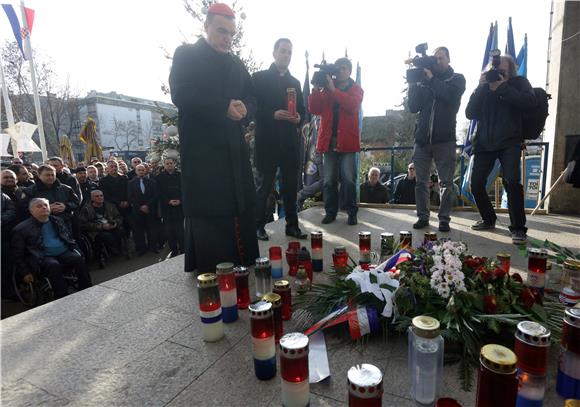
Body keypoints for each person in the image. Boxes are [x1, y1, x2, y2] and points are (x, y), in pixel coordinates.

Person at [169, 3, 259, 274]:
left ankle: (242, 259)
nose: (227, 38)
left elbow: (252, 96)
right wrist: (222, 107)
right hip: (203, 150)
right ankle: (213, 265)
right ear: (206, 27)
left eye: (231, 33)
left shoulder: (236, 63)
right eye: (221, 31)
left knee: (237, 200)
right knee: (211, 205)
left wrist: (245, 108)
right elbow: (181, 94)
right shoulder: (186, 54)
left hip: (233, 148)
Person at [466, 55, 536, 244]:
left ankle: (518, 228)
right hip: (484, 143)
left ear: (511, 70)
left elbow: (529, 102)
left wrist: (503, 86)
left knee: (512, 182)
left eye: (502, 70)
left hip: (510, 141)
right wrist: (481, 87)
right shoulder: (485, 86)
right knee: (476, 184)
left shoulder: (519, 83)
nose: (497, 73)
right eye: (495, 69)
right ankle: (488, 219)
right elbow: (470, 112)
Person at [252, 38, 307, 241]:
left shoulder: (295, 83)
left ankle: (292, 226)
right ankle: (258, 226)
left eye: (289, 52)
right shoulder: (259, 78)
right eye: (283, 51)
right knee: (264, 187)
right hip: (267, 142)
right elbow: (254, 108)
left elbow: (302, 110)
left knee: (291, 188)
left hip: (289, 144)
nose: (286, 55)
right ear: (274, 53)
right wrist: (273, 114)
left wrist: (300, 117)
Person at [408, 46, 465, 232]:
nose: (438, 61)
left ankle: (444, 219)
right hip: (422, 140)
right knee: (420, 183)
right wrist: (414, 83)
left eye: (441, 58)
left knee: (446, 183)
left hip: (445, 140)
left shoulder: (457, 79)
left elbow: (449, 96)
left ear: (449, 58)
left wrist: (432, 79)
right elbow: (413, 107)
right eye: (436, 58)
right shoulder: (424, 81)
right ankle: (423, 217)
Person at [309, 57, 364, 225]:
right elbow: (314, 109)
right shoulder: (326, 89)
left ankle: (351, 211)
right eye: (338, 68)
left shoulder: (356, 89)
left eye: (343, 68)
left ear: (349, 71)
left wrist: (333, 90)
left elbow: (352, 105)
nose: (340, 71)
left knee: (348, 179)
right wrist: (316, 89)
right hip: (328, 141)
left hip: (347, 143)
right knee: (328, 180)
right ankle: (330, 212)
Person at [11, 198, 92, 299]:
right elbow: (18, 253)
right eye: (39, 206)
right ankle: (62, 296)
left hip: (63, 252)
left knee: (78, 258)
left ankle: (87, 288)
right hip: (41, 256)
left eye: (46, 205)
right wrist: (25, 272)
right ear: (31, 211)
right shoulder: (21, 229)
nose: (44, 207)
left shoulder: (57, 220)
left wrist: (78, 251)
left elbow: (69, 238)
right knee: (54, 265)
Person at [20, 165, 80, 231]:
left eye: (52, 175)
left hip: (65, 224)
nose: (50, 177)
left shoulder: (66, 188)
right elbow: (24, 208)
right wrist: (45, 209)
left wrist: (66, 206)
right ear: (39, 176)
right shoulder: (30, 191)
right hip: (42, 226)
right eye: (47, 175)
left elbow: (76, 202)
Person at [79, 190, 124, 267]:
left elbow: (119, 217)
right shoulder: (86, 209)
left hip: (111, 226)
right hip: (96, 231)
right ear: (92, 198)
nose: (100, 197)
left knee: (121, 231)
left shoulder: (110, 206)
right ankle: (110, 252)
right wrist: (101, 226)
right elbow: (83, 224)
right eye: (97, 196)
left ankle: (118, 250)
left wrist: (115, 223)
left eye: (101, 195)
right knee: (106, 236)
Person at [127, 164, 159, 255]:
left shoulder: (152, 182)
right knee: (139, 231)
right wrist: (140, 207)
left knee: (152, 229)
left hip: (150, 209)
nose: (141, 171)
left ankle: (153, 247)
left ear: (145, 171)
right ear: (136, 171)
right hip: (137, 211)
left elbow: (155, 195)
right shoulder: (131, 183)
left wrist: (147, 206)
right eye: (139, 170)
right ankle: (142, 249)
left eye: (142, 170)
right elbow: (130, 197)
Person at [156, 157, 184, 256]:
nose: (169, 165)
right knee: (169, 231)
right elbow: (159, 192)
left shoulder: (180, 175)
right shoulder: (159, 177)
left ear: (174, 164)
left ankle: (183, 248)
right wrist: (168, 201)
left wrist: (180, 200)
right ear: (164, 165)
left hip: (179, 207)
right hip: (167, 208)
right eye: (167, 163)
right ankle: (174, 249)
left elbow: (184, 189)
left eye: (171, 163)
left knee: (180, 229)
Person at [99, 160, 130, 236]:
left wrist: (127, 201)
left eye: (115, 166)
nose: (114, 168)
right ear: (107, 168)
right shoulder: (103, 180)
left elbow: (129, 191)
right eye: (111, 166)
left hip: (126, 205)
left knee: (127, 224)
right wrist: (118, 202)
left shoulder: (124, 178)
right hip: (112, 207)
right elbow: (105, 195)